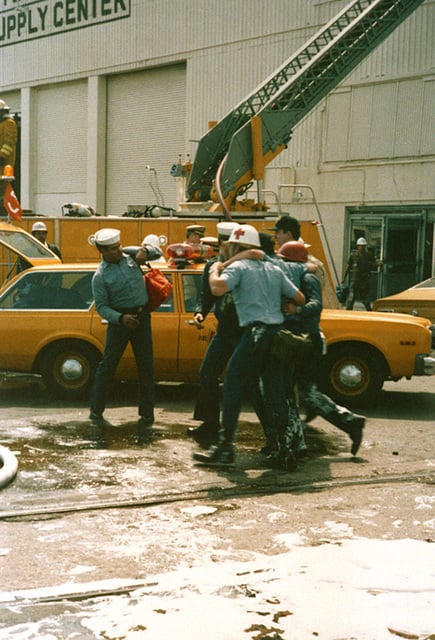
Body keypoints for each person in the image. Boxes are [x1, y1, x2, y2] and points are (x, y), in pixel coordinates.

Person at [193, 224, 305, 469]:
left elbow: (217, 288)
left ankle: (225, 448)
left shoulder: (238, 267)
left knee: (233, 385)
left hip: (254, 333)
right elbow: (299, 298)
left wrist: (215, 269)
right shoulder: (273, 269)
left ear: (234, 246)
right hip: (276, 335)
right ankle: (284, 450)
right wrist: (290, 307)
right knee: (274, 393)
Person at [278, 241, 365, 456]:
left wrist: (296, 309)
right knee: (305, 392)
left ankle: (345, 422)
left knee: (298, 392)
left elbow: (316, 305)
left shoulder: (307, 278)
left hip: (307, 342)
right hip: (306, 341)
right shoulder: (300, 276)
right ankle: (348, 421)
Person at [88, 228, 155, 440]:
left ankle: (147, 414)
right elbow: (101, 307)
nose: (118, 251)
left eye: (119, 246)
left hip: (142, 317)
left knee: (146, 365)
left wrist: (145, 250)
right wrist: (120, 318)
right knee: (108, 366)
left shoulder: (131, 256)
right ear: (102, 251)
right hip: (120, 322)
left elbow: (157, 253)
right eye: (113, 249)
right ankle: (96, 411)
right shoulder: (100, 276)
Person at [188, 221, 242, 448]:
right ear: (221, 243)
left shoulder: (243, 266)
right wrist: (200, 312)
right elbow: (206, 295)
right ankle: (210, 423)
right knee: (207, 373)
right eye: (229, 243)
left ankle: (274, 432)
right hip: (225, 330)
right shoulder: (212, 265)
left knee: (250, 383)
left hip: (245, 330)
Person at [343, 237, 378, 311]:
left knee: (365, 299)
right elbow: (348, 266)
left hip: (364, 280)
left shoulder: (368, 255)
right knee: (351, 298)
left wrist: (372, 266)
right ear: (357, 246)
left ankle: (369, 312)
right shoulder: (353, 255)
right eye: (360, 245)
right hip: (355, 280)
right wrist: (344, 277)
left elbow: (375, 263)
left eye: (363, 246)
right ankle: (348, 312)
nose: (362, 247)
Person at [0, 99, 18, 217]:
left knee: (2, 192)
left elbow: (9, 143)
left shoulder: (9, 123)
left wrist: (1, 157)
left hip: (3, 165)